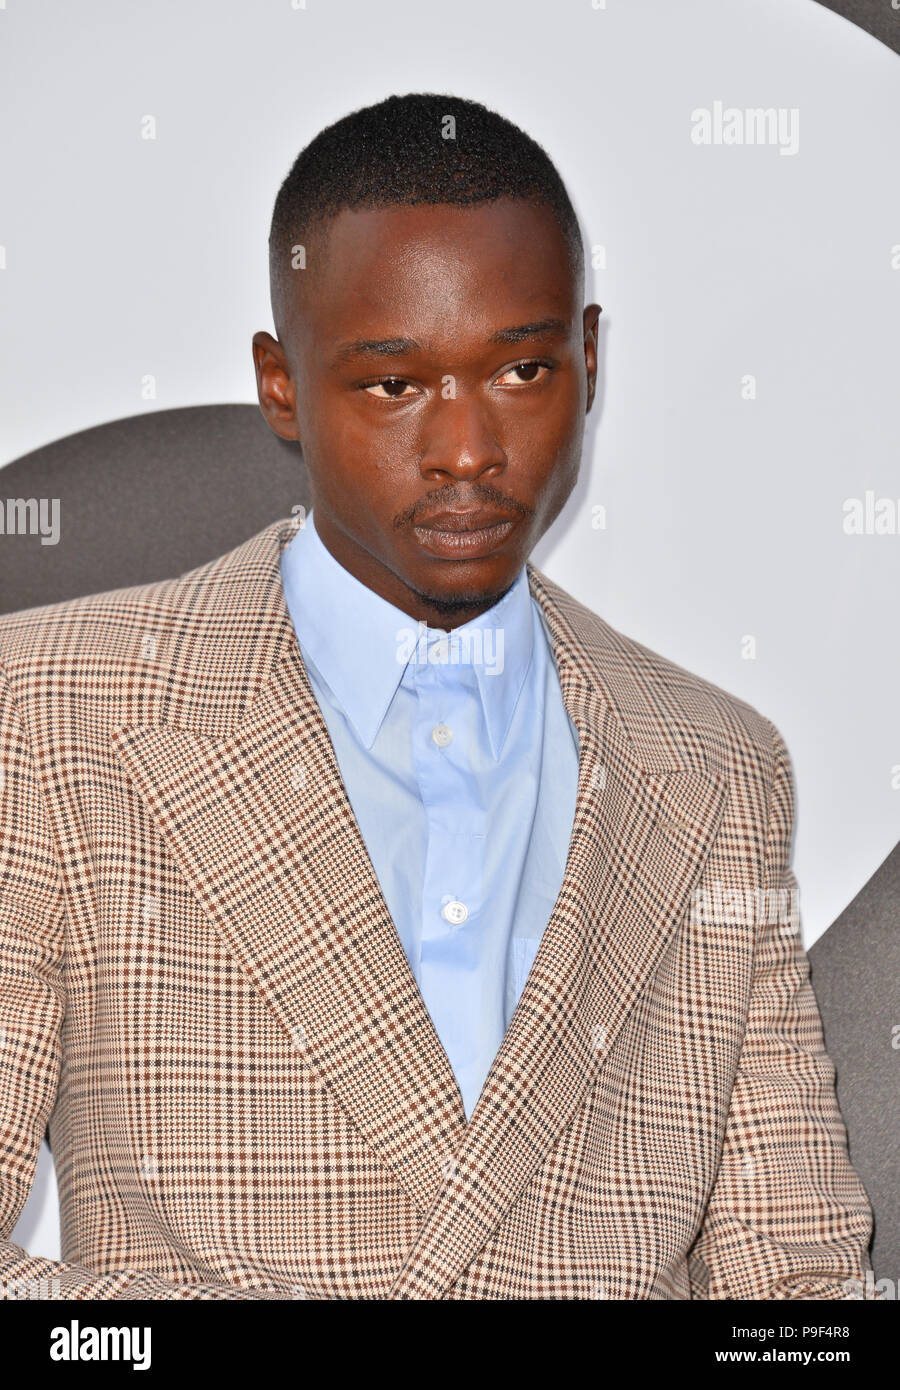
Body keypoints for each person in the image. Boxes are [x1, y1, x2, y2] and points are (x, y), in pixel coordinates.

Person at [0, 92, 875, 1300]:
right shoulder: (49, 715)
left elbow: (802, 1289)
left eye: (522, 368)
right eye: (393, 385)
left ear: (591, 360)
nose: (468, 447)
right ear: (282, 387)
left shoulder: (716, 765)